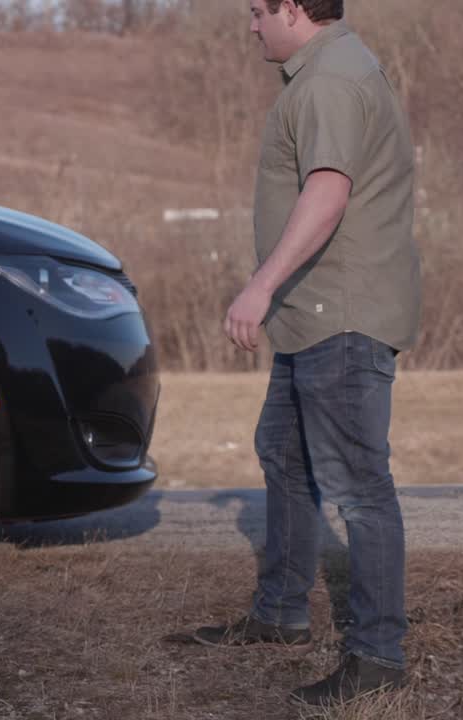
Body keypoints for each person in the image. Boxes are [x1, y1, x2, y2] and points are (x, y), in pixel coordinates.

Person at [176, 0, 422, 706]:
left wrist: (259, 285)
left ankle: (378, 655)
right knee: (281, 449)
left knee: (358, 486)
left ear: (292, 6)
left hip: (340, 313)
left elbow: (328, 192)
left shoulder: (328, 82)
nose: (251, 24)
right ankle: (280, 612)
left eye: (258, 10)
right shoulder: (329, 70)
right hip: (315, 313)